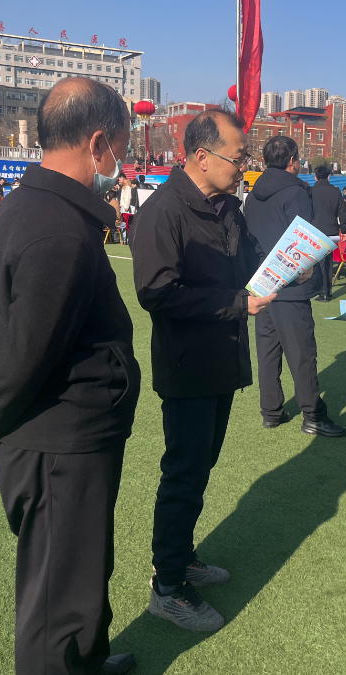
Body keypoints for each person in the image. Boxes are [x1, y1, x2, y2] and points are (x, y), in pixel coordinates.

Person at [0, 78, 142, 675]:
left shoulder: (27, 204)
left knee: (80, 571)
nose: (122, 163)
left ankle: (87, 659)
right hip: (61, 438)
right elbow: (26, 350)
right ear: (98, 142)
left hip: (66, 434)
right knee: (59, 594)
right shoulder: (58, 228)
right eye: (122, 148)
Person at [130, 109, 275, 633]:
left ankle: (181, 556)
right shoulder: (163, 211)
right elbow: (156, 293)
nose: (243, 167)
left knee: (201, 467)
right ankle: (167, 586)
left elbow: (248, 264)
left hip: (223, 359)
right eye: (238, 158)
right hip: (188, 364)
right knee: (184, 472)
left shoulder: (228, 207)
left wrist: (287, 263)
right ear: (201, 156)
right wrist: (236, 304)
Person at [244, 136, 343, 437]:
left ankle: (271, 410)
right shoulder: (295, 191)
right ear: (292, 161)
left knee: (268, 351)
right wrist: (306, 268)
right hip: (291, 283)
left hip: (262, 282)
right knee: (302, 353)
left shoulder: (252, 195)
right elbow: (303, 236)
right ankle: (313, 415)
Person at [311, 163, 346, 302]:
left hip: (316, 229)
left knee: (319, 261)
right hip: (332, 229)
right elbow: (342, 211)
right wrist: (344, 229)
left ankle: (322, 291)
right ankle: (329, 290)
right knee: (329, 260)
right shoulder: (336, 191)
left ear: (315, 177)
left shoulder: (312, 191)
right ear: (328, 176)